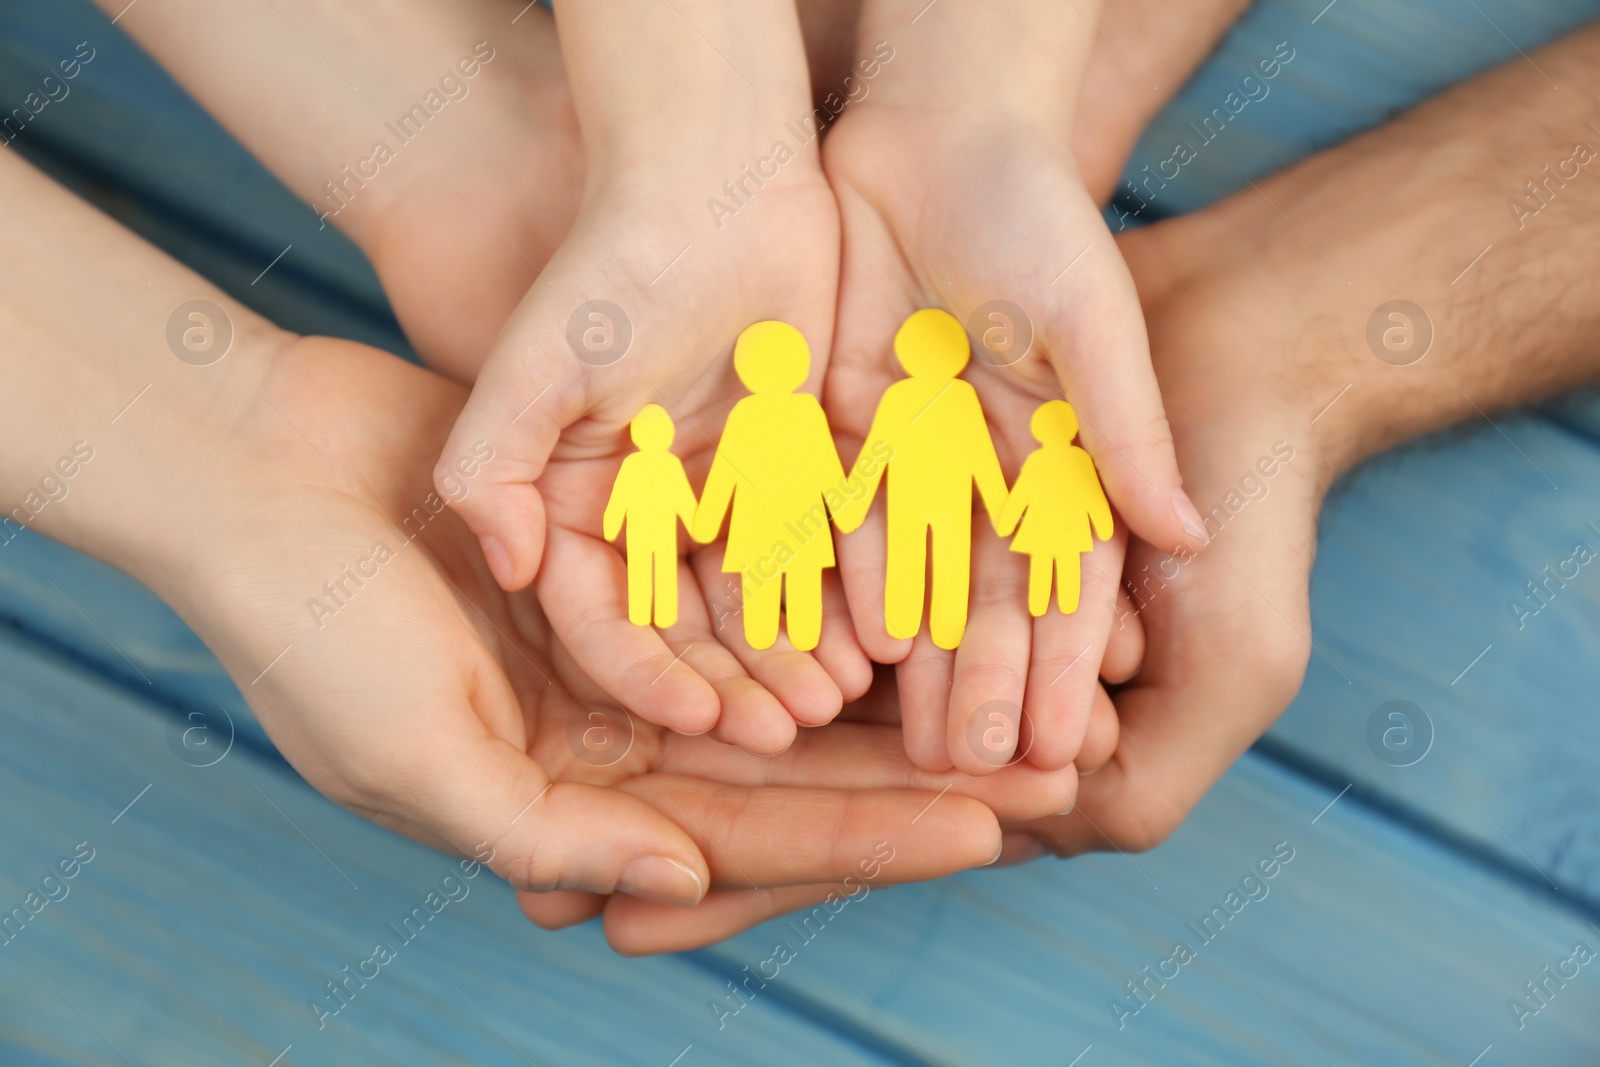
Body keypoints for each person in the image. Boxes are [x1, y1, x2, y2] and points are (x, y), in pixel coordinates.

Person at [838, 308, 1008, 651]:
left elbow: (875, 454)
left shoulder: (904, 396)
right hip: (943, 496)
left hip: (914, 496)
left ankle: (908, 618)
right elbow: (980, 453)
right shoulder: (957, 396)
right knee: (949, 558)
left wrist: (854, 501)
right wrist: (1000, 504)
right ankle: (937, 623)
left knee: (910, 553)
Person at [692, 321, 851, 659]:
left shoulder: (748, 412)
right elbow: (826, 464)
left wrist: (707, 517)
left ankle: (769, 631)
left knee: (763, 576)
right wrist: (845, 507)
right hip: (798, 516)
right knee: (800, 575)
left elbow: (725, 471)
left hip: (760, 518)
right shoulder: (804, 410)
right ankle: (796, 631)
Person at [995, 401, 1114, 617]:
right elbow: (1092, 494)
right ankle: (1064, 602)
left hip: (1043, 525)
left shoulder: (1038, 460)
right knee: (1067, 562)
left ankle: (1041, 604)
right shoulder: (1077, 458)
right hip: (1068, 525)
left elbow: (1021, 495)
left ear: (1037, 431)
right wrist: (1102, 523)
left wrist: (1007, 521)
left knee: (1043, 563)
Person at [603, 404, 696, 628]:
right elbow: (621, 497)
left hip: (647, 529)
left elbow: (620, 498)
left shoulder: (640, 464)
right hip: (652, 529)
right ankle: (648, 614)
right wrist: (696, 524)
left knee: (644, 569)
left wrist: (612, 523)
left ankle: (648, 613)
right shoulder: (661, 464)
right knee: (655, 569)